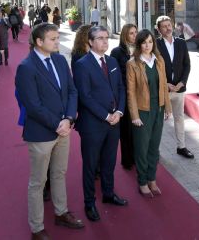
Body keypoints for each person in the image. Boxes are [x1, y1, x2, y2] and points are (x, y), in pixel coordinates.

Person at [15, 23, 84, 239]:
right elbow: (32, 105)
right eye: (53, 39)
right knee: (37, 182)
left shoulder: (60, 60)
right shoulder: (26, 67)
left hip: (64, 129)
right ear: (39, 42)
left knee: (59, 174)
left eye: (56, 38)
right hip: (42, 133)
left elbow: (72, 91)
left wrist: (69, 118)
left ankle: (61, 213)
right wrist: (57, 124)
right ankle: (36, 228)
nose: (57, 41)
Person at [73, 26, 128, 222]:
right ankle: (89, 203)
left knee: (109, 161)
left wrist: (120, 112)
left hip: (114, 122)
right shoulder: (82, 65)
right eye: (100, 38)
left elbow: (121, 88)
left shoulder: (112, 61)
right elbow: (85, 96)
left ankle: (108, 193)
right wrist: (106, 115)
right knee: (90, 165)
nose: (105, 42)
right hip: (93, 124)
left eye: (106, 38)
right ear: (90, 42)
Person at [126, 29, 171, 197]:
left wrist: (167, 107)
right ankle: (142, 181)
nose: (147, 45)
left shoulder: (159, 60)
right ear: (139, 44)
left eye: (150, 42)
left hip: (158, 109)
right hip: (142, 111)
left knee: (154, 147)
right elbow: (130, 93)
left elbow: (164, 85)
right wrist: (135, 116)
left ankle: (152, 178)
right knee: (142, 148)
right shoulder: (133, 64)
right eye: (144, 42)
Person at [156, 16, 193, 159]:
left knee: (179, 118)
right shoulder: (155, 44)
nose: (168, 28)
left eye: (169, 25)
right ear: (159, 29)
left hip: (178, 88)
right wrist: (165, 83)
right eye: (164, 26)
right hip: (162, 89)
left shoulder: (181, 43)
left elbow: (187, 64)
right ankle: (156, 150)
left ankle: (181, 147)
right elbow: (152, 67)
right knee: (158, 121)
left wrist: (182, 82)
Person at [111, 23, 138, 170]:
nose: (134, 36)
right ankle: (127, 159)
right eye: (131, 33)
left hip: (139, 95)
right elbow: (115, 76)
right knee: (126, 130)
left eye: (135, 33)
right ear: (125, 35)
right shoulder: (117, 52)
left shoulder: (140, 50)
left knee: (137, 128)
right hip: (125, 95)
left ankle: (137, 155)